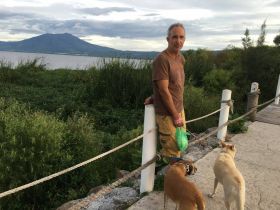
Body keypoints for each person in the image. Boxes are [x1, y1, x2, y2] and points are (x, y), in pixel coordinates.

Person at [144, 23, 187, 162]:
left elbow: (174, 85)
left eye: (181, 37)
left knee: (180, 145)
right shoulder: (161, 60)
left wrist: (153, 96)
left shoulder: (180, 58)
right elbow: (163, 89)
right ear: (168, 39)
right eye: (174, 37)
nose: (178, 41)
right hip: (167, 115)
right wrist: (175, 115)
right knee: (172, 151)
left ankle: (175, 179)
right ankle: (172, 181)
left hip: (179, 110)